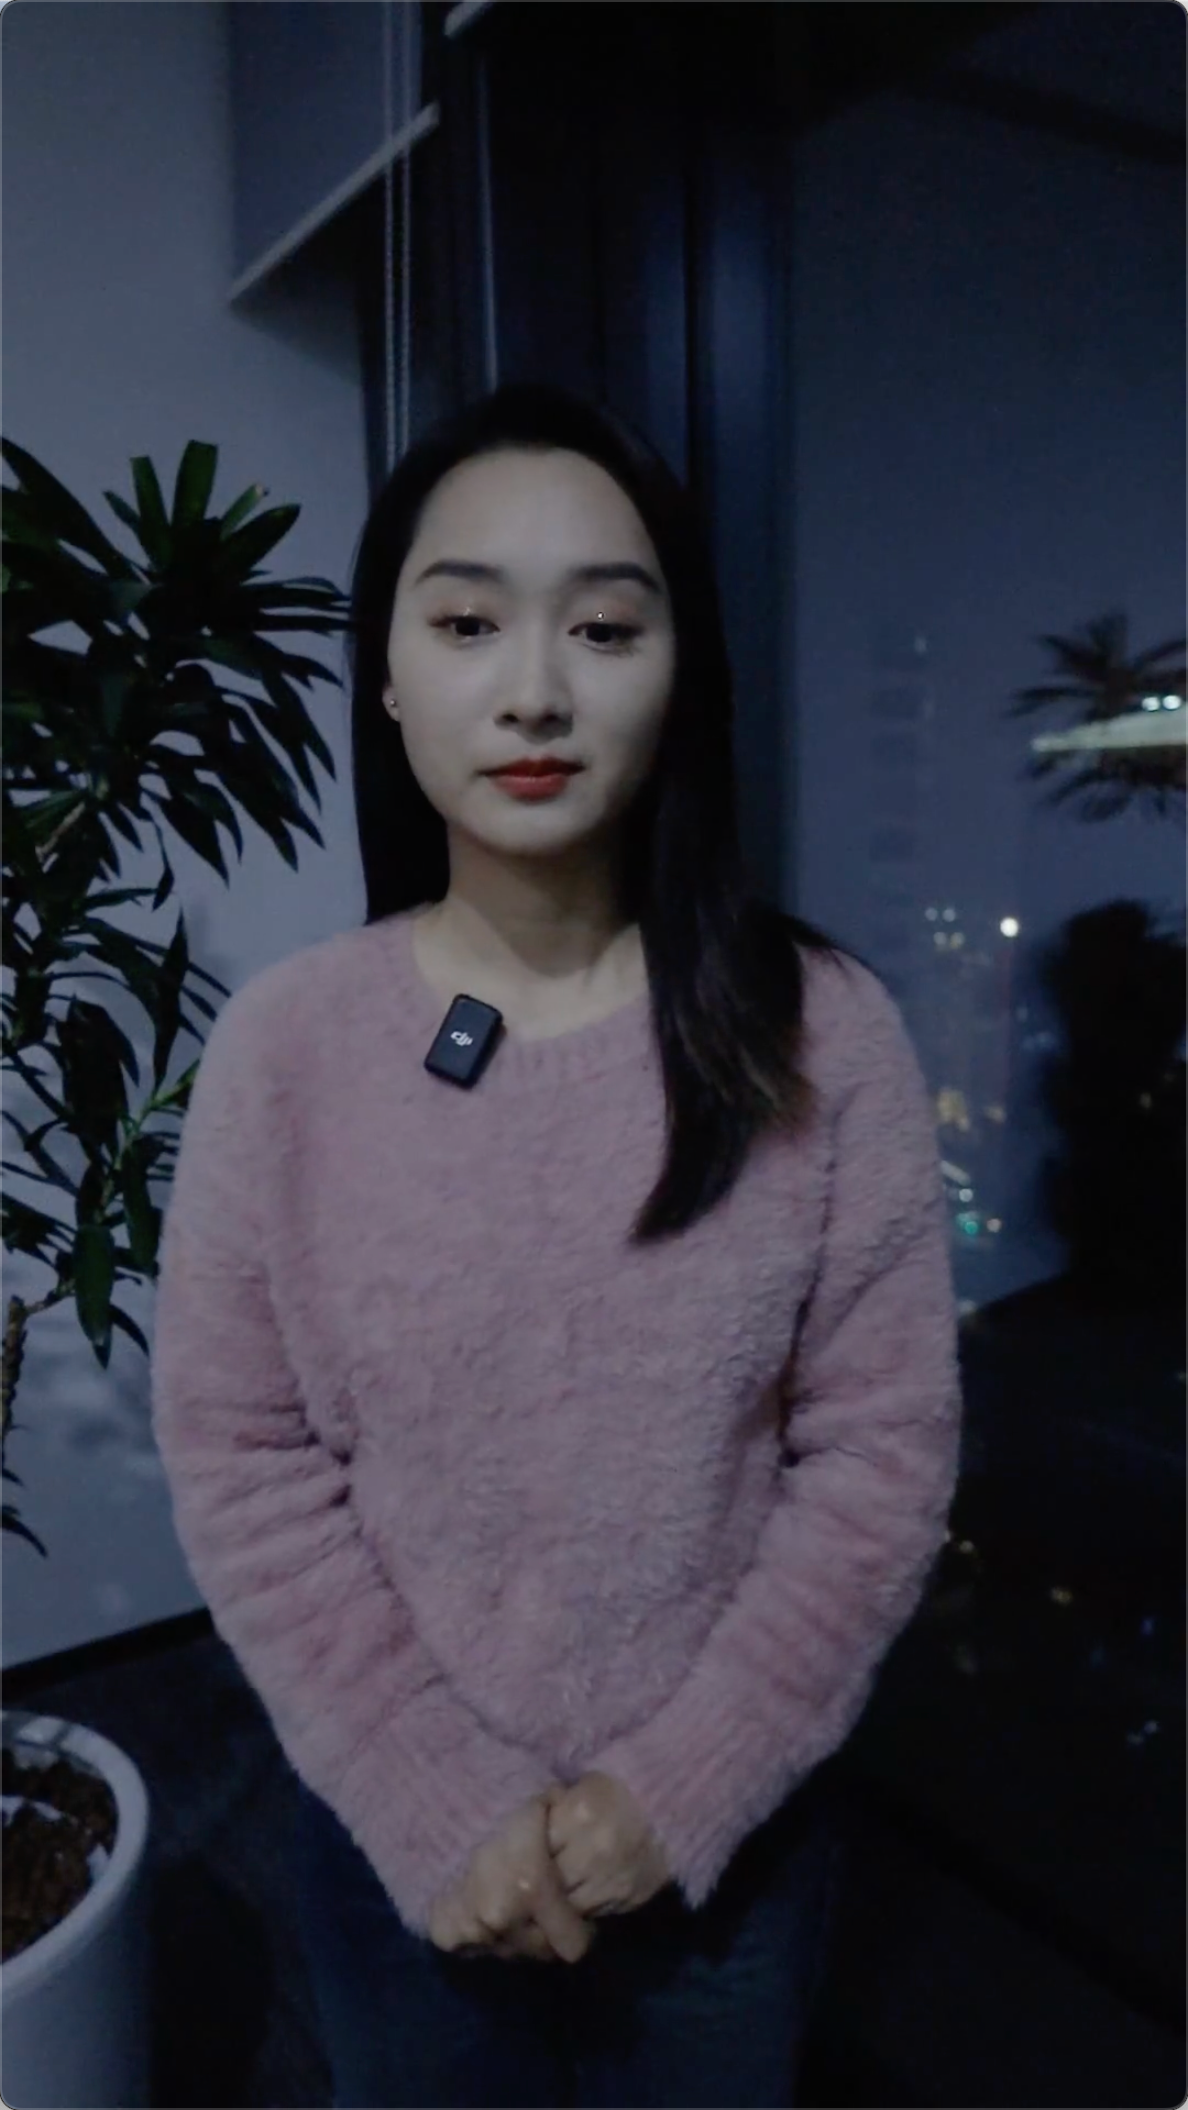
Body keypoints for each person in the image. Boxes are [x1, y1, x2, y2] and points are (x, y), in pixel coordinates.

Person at [150, 382, 961, 2108]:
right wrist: (431, 1791)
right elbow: (242, 1453)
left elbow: (880, 1454)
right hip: (398, 1855)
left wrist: (682, 1785)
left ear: (681, 675)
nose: (534, 689)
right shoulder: (286, 1051)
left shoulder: (820, 1034)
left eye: (603, 626)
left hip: (727, 1861)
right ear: (387, 674)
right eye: (466, 624)